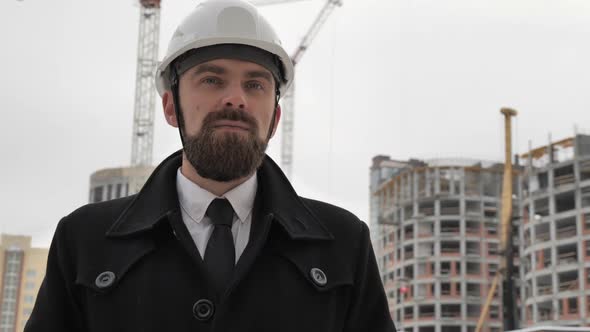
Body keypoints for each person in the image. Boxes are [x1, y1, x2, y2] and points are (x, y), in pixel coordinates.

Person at [25, 0, 395, 331]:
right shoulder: (84, 241)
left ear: (275, 118)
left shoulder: (344, 244)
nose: (235, 99)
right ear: (171, 107)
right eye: (212, 79)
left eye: (255, 84)